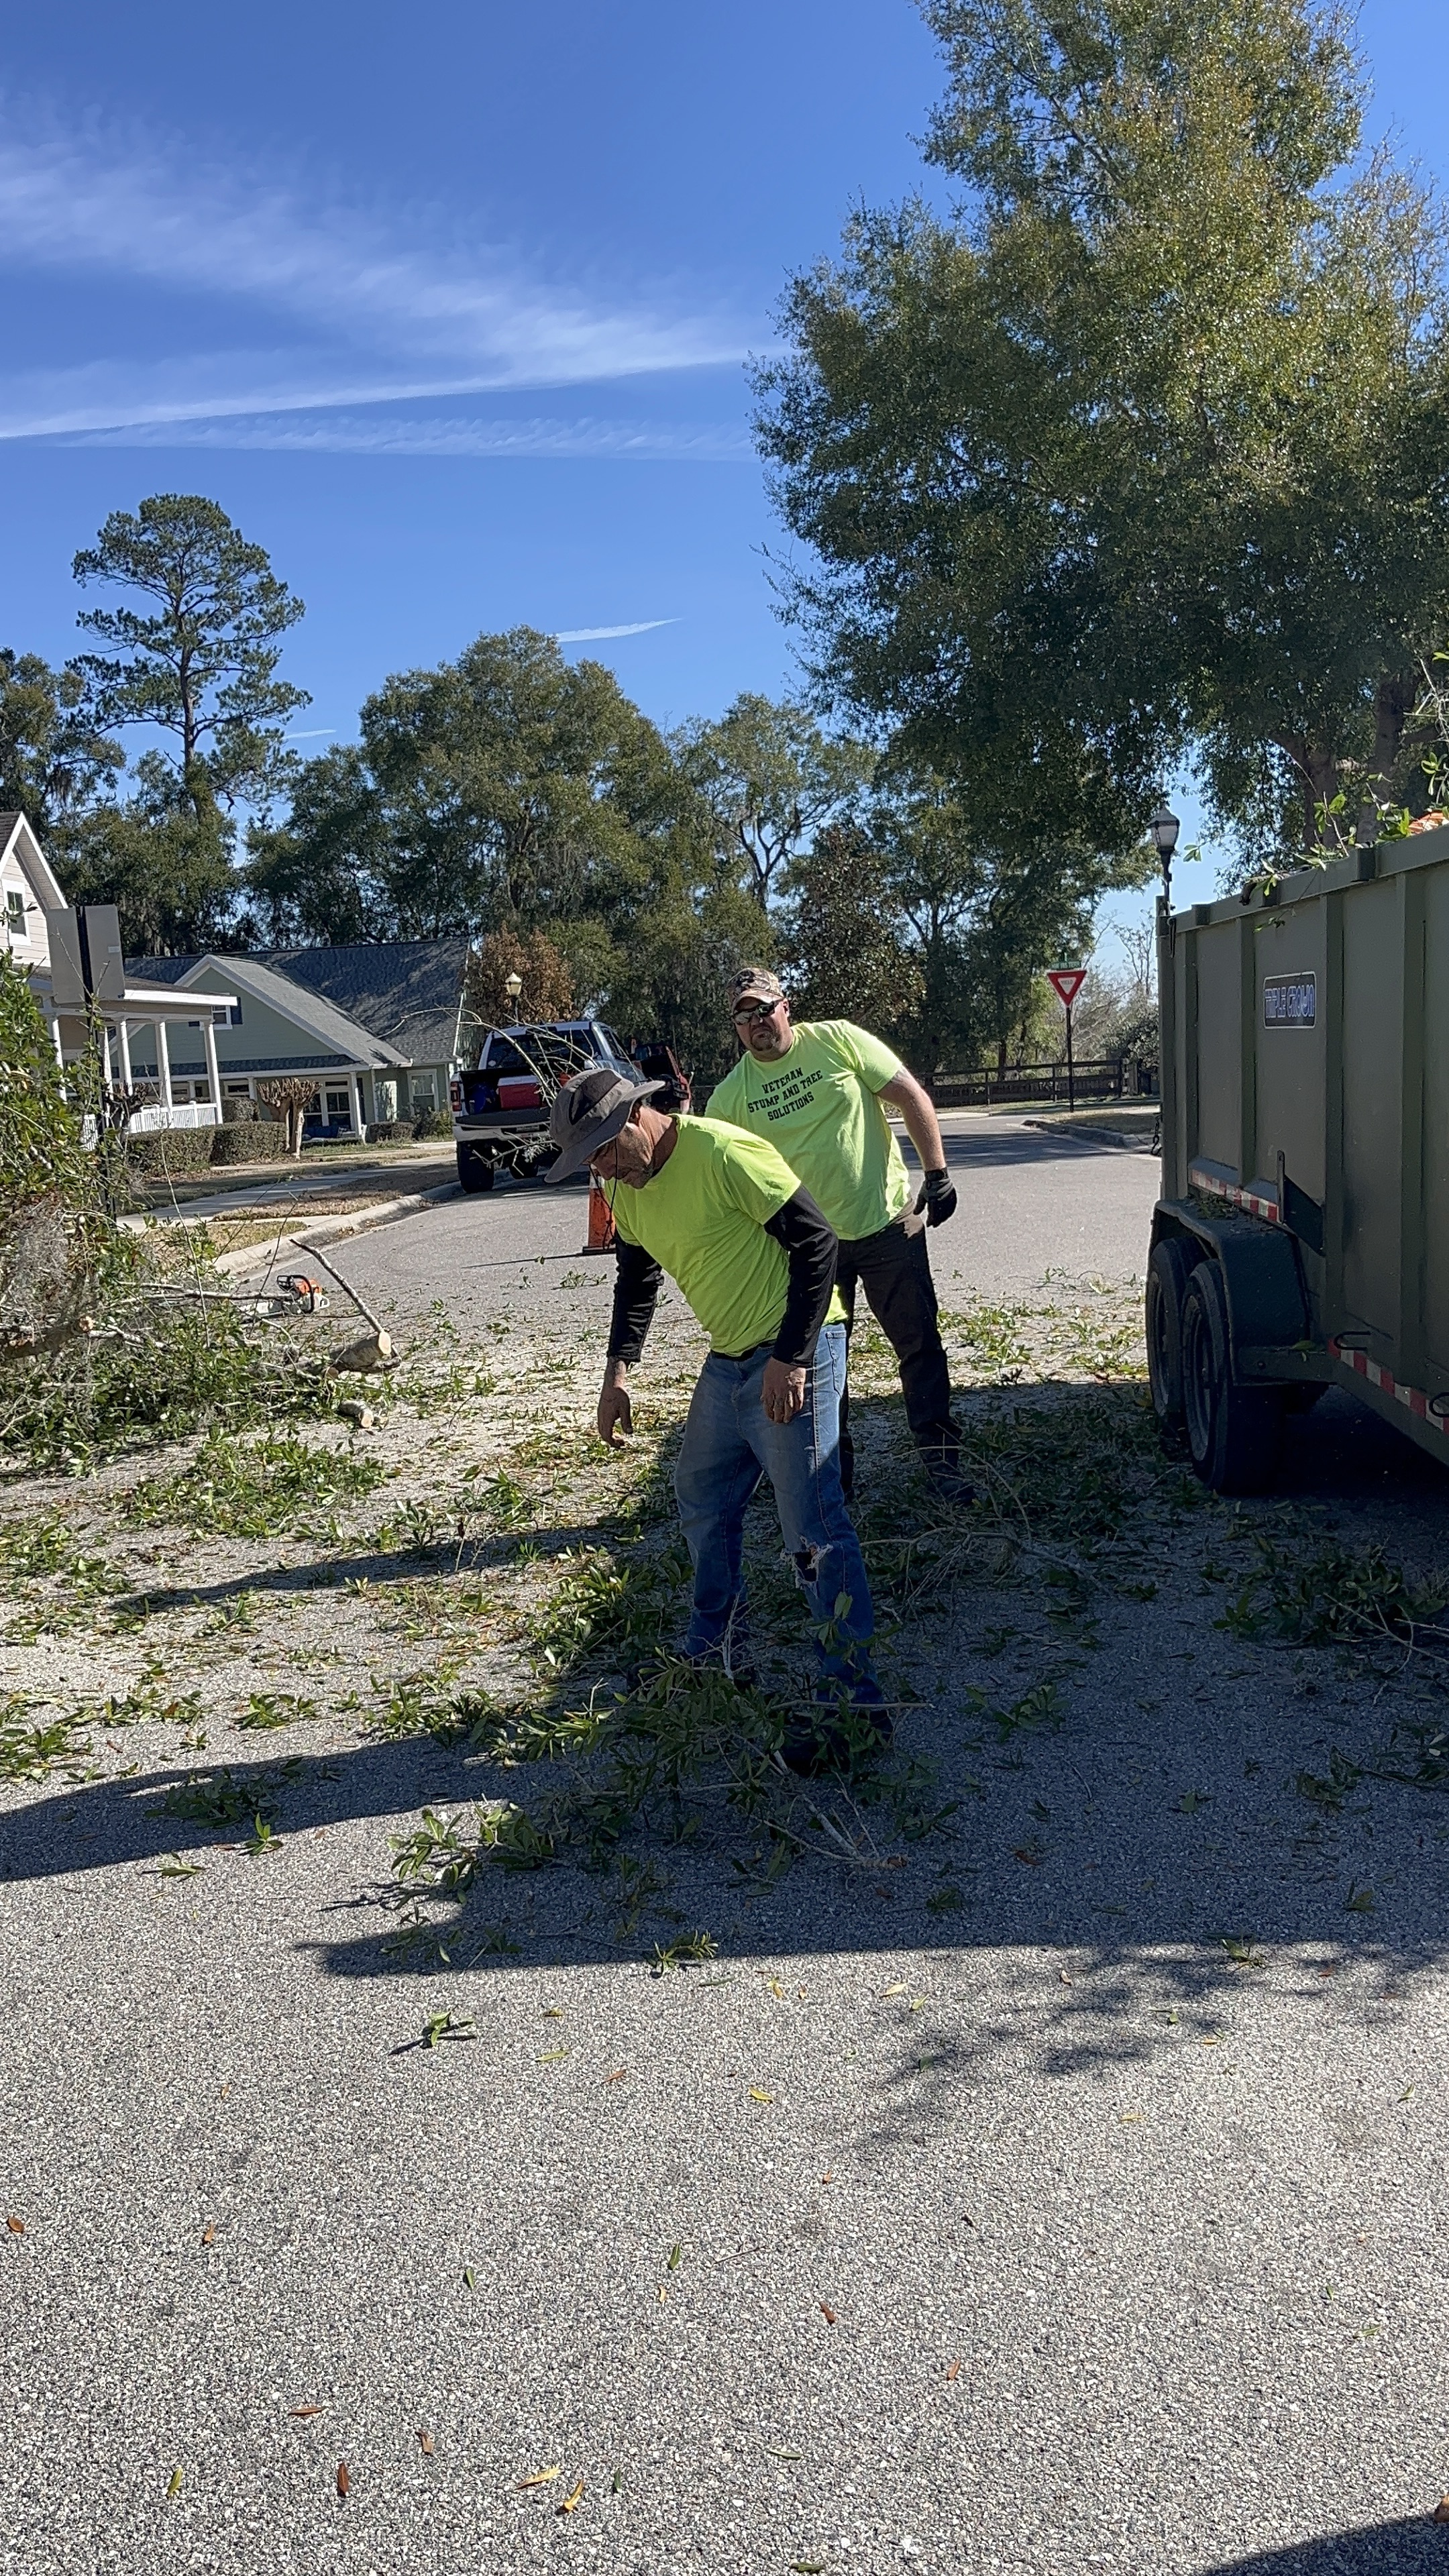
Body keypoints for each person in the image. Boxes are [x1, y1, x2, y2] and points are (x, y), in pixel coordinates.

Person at [544, 1063, 885, 1765]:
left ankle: (859, 1709)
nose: (601, 1169)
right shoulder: (625, 1187)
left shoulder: (724, 1154)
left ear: (638, 1119)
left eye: (605, 1150)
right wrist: (617, 1374)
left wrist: (791, 1357)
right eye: (590, 1160)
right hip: (730, 1358)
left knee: (814, 1530)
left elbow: (818, 1241)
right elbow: (637, 1281)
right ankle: (712, 1651)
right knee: (701, 1492)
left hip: (800, 1347)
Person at [706, 968, 969, 1502]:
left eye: (765, 1009)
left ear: (787, 1006)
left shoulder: (838, 1041)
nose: (758, 1022)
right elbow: (723, 1181)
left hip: (887, 1224)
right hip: (808, 1253)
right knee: (825, 1369)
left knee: (919, 1345)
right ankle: (834, 1483)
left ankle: (943, 1466)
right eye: (744, 1016)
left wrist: (937, 1173)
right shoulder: (730, 1100)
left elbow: (909, 1095)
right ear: (735, 1027)